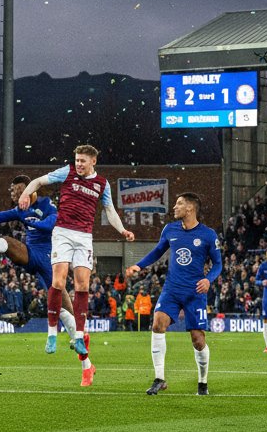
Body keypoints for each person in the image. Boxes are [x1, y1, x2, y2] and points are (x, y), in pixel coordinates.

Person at [18, 144, 134, 387]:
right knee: (58, 281)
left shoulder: (102, 184)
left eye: (83, 161)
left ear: (93, 161)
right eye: (77, 160)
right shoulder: (67, 172)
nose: (79, 164)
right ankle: (52, 334)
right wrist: (25, 194)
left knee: (82, 286)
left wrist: (122, 230)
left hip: (84, 237)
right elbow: (38, 181)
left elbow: (110, 210)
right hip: (62, 232)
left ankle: (79, 336)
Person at [0, 174, 85, 347]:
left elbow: (50, 225)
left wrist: (30, 221)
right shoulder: (20, 210)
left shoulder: (46, 204)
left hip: (49, 256)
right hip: (31, 254)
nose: (16, 195)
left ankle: (77, 336)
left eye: (19, 191)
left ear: (31, 190)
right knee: (8, 242)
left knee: (58, 298)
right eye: (13, 191)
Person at [125, 192, 222, 396]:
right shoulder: (170, 229)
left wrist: (208, 280)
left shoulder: (208, 235)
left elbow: (218, 264)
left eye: (179, 204)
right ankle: (159, 378)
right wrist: (138, 265)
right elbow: (157, 251)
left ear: (190, 208)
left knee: (198, 339)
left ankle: (202, 382)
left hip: (195, 292)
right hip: (172, 289)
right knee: (157, 324)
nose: (174, 207)